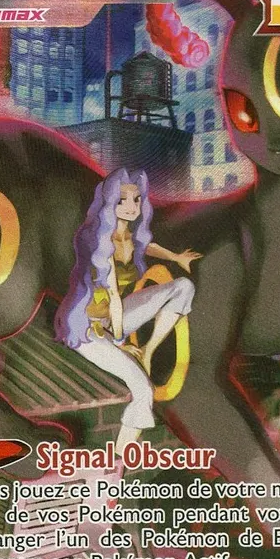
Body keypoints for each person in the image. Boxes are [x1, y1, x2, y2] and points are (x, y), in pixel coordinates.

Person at [55, 168, 200, 456]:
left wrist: (176, 257)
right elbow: (114, 299)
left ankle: (148, 350)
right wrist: (121, 344)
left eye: (136, 200)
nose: (132, 207)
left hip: (112, 319)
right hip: (86, 329)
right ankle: (120, 458)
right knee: (143, 390)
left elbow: (147, 247)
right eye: (123, 201)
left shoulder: (130, 237)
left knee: (183, 287)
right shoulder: (101, 244)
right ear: (110, 202)